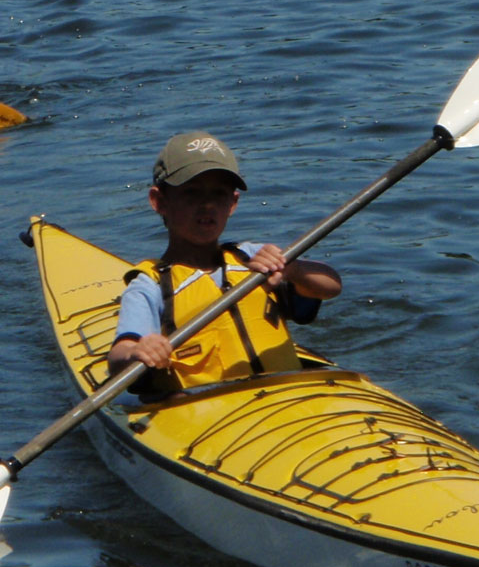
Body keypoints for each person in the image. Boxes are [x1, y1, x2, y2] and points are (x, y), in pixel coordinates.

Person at [107, 130, 342, 392]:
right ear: (159, 201)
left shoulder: (252, 257)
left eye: (218, 194)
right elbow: (119, 356)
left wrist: (293, 270)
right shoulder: (151, 285)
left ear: (233, 203)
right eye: (192, 193)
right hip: (210, 411)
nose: (207, 205)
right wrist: (138, 352)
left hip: (287, 397)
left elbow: (330, 286)